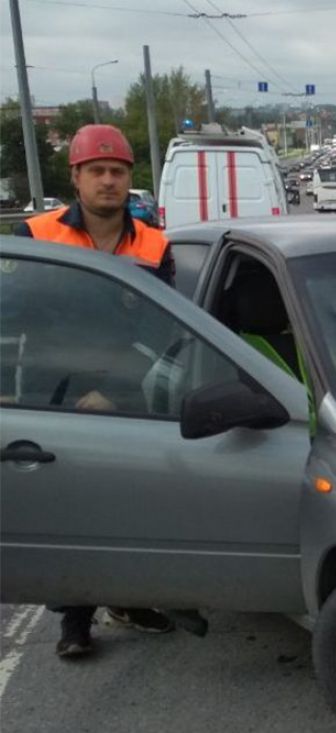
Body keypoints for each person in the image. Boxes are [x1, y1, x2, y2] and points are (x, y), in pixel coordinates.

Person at [14, 123, 178, 658]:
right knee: (65, 509)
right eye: (98, 171)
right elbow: (13, 314)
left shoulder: (155, 245)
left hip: (125, 394)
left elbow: (162, 329)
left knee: (129, 505)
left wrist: (116, 389)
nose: (109, 181)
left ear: (130, 178)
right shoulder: (35, 235)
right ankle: (74, 620)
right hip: (50, 391)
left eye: (118, 172)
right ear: (77, 177)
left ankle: (128, 597)